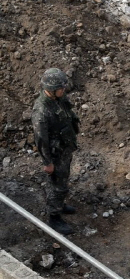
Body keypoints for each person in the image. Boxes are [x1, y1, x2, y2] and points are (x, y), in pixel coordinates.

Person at [32, 68, 80, 235]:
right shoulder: (41, 111)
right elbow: (40, 139)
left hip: (64, 147)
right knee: (57, 185)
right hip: (55, 153)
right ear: (51, 90)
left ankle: (59, 204)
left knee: (63, 180)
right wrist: (47, 162)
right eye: (61, 87)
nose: (64, 90)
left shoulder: (57, 99)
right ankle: (54, 217)